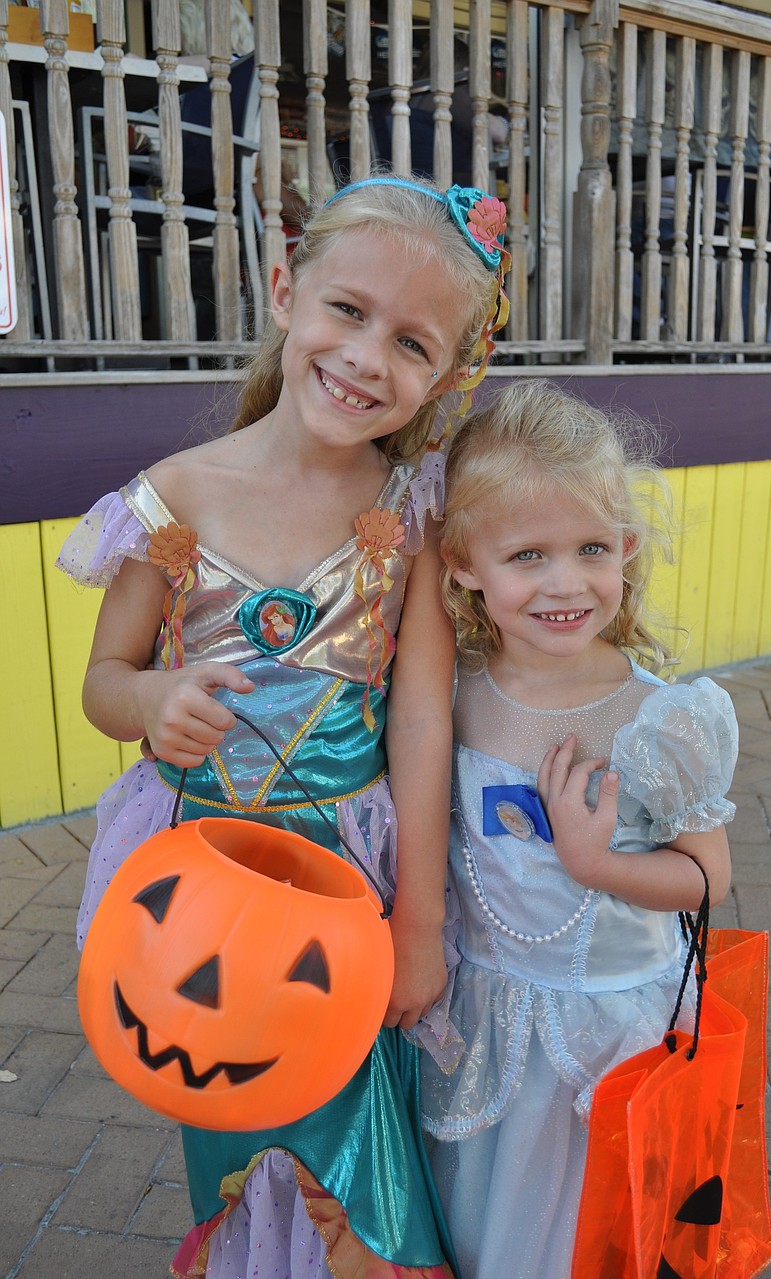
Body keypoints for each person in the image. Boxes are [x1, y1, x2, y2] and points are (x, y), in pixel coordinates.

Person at [57, 176, 510, 1279]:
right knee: (232, 1102)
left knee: (352, 1143)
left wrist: (415, 920)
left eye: (411, 342)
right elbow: (106, 682)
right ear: (282, 290)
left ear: (445, 374)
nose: (365, 358)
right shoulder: (173, 500)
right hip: (198, 892)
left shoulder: (410, 516)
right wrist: (151, 705)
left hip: (348, 881)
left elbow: (417, 717)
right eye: (346, 311)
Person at [419, 381, 738, 1279]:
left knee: (594, 1238)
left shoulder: (659, 719)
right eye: (528, 554)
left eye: (592, 548)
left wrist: (592, 860)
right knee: (489, 1222)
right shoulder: (454, 699)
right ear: (465, 562)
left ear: (627, 550)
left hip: (615, 1032)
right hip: (489, 1021)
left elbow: (708, 878)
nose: (567, 582)